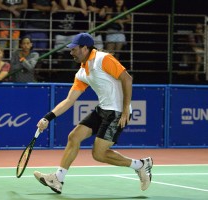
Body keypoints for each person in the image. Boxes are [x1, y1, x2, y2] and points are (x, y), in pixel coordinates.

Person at [33, 33, 153, 194]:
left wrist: (125, 109)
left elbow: (127, 79)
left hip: (117, 112)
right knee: (73, 137)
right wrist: (47, 118)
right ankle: (58, 178)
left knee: (99, 153)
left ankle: (140, 165)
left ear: (85, 48)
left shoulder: (103, 59)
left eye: (74, 49)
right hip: (103, 109)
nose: (71, 52)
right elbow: (69, 100)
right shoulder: (82, 72)